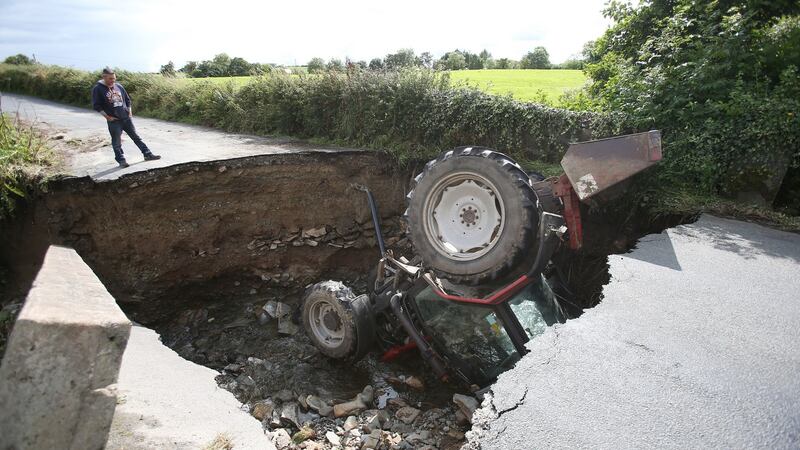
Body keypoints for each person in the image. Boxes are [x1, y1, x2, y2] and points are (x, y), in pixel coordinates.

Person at [91, 67, 160, 168]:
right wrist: (107, 117)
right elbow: (96, 105)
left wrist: (129, 112)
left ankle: (148, 154)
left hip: (126, 118)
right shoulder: (98, 89)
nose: (113, 81)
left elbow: (127, 100)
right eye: (110, 79)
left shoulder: (118, 86)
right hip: (114, 121)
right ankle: (121, 160)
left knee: (136, 137)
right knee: (117, 142)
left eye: (114, 78)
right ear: (104, 77)